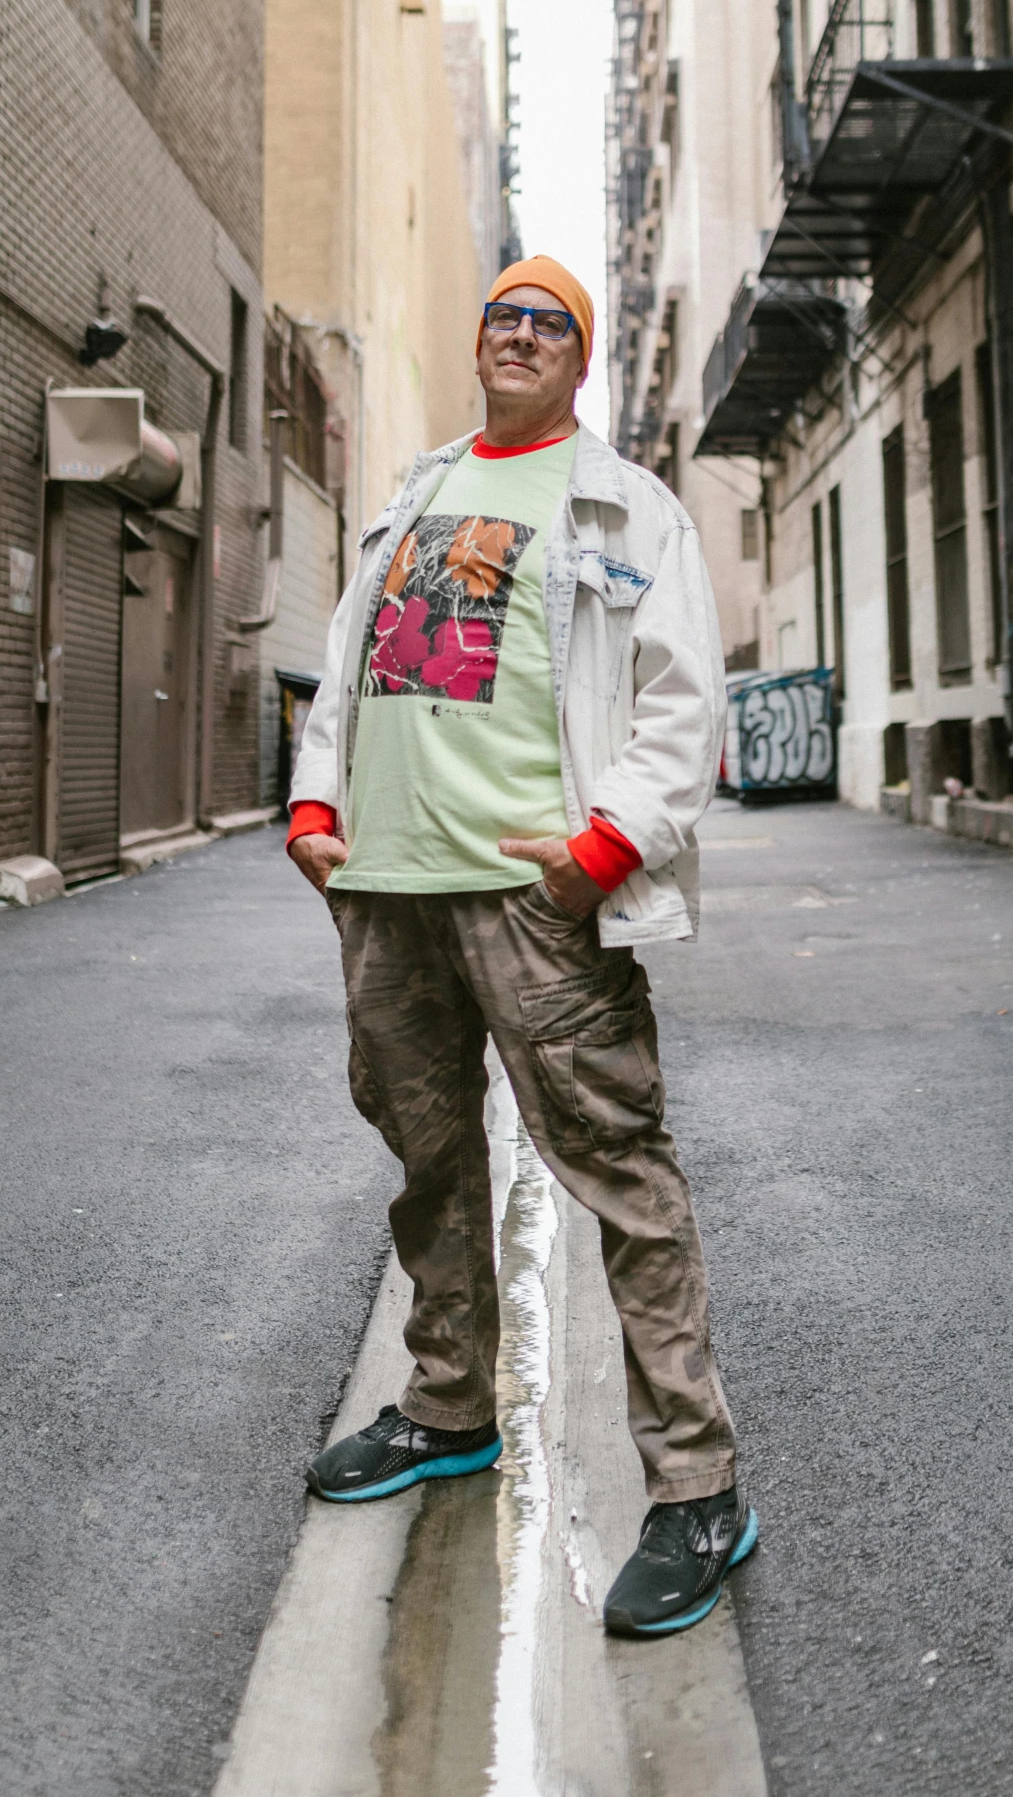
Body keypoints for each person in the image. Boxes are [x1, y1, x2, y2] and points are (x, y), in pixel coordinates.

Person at [285, 254, 755, 1639]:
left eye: (549, 323)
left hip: (530, 897)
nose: (520, 336)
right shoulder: (419, 492)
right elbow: (352, 662)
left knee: (618, 1170)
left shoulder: (624, 506)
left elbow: (682, 694)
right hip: (385, 886)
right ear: (477, 339)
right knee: (428, 1161)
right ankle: (446, 1408)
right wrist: (317, 803)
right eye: (501, 316)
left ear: (579, 358)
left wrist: (604, 849)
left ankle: (698, 1485)